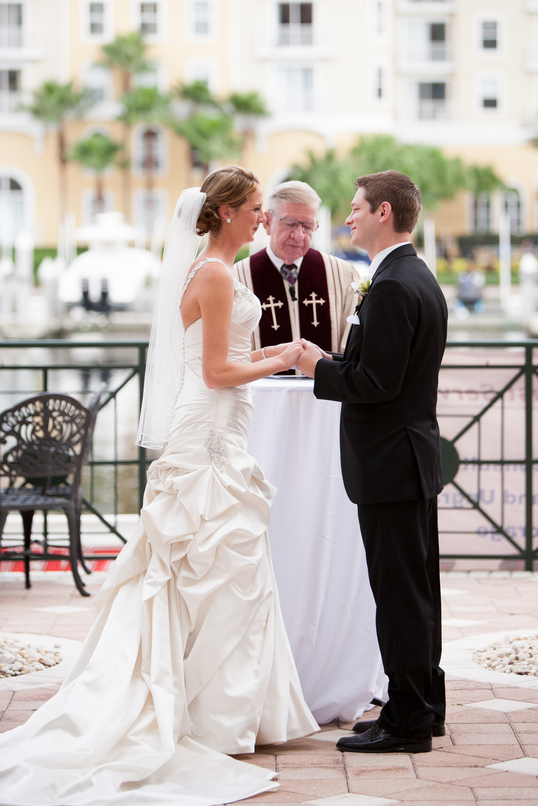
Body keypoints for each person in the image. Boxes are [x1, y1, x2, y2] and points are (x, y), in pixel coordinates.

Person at [0, 166, 319, 806]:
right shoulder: (213, 274)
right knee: (222, 563)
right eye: (257, 207)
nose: (263, 217)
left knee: (224, 566)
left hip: (218, 427)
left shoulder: (215, 270)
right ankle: (209, 718)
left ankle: (228, 711)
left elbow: (223, 365)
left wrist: (269, 360)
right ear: (226, 212)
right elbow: (217, 371)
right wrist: (285, 356)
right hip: (207, 434)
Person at [297, 170, 448, 754]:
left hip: (389, 464)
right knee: (417, 590)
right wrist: (338, 361)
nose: (348, 217)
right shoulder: (413, 276)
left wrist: (318, 367)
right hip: (408, 460)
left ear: (384, 212)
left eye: (356, 208)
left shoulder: (389, 286)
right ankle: (423, 705)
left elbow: (375, 382)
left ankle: (407, 722)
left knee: (400, 594)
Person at [234, 180, 360, 357]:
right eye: (290, 223)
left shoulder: (343, 276)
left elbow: (351, 350)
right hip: (261, 385)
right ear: (267, 222)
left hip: (323, 385)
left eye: (307, 226)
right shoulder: (238, 278)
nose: (299, 235)